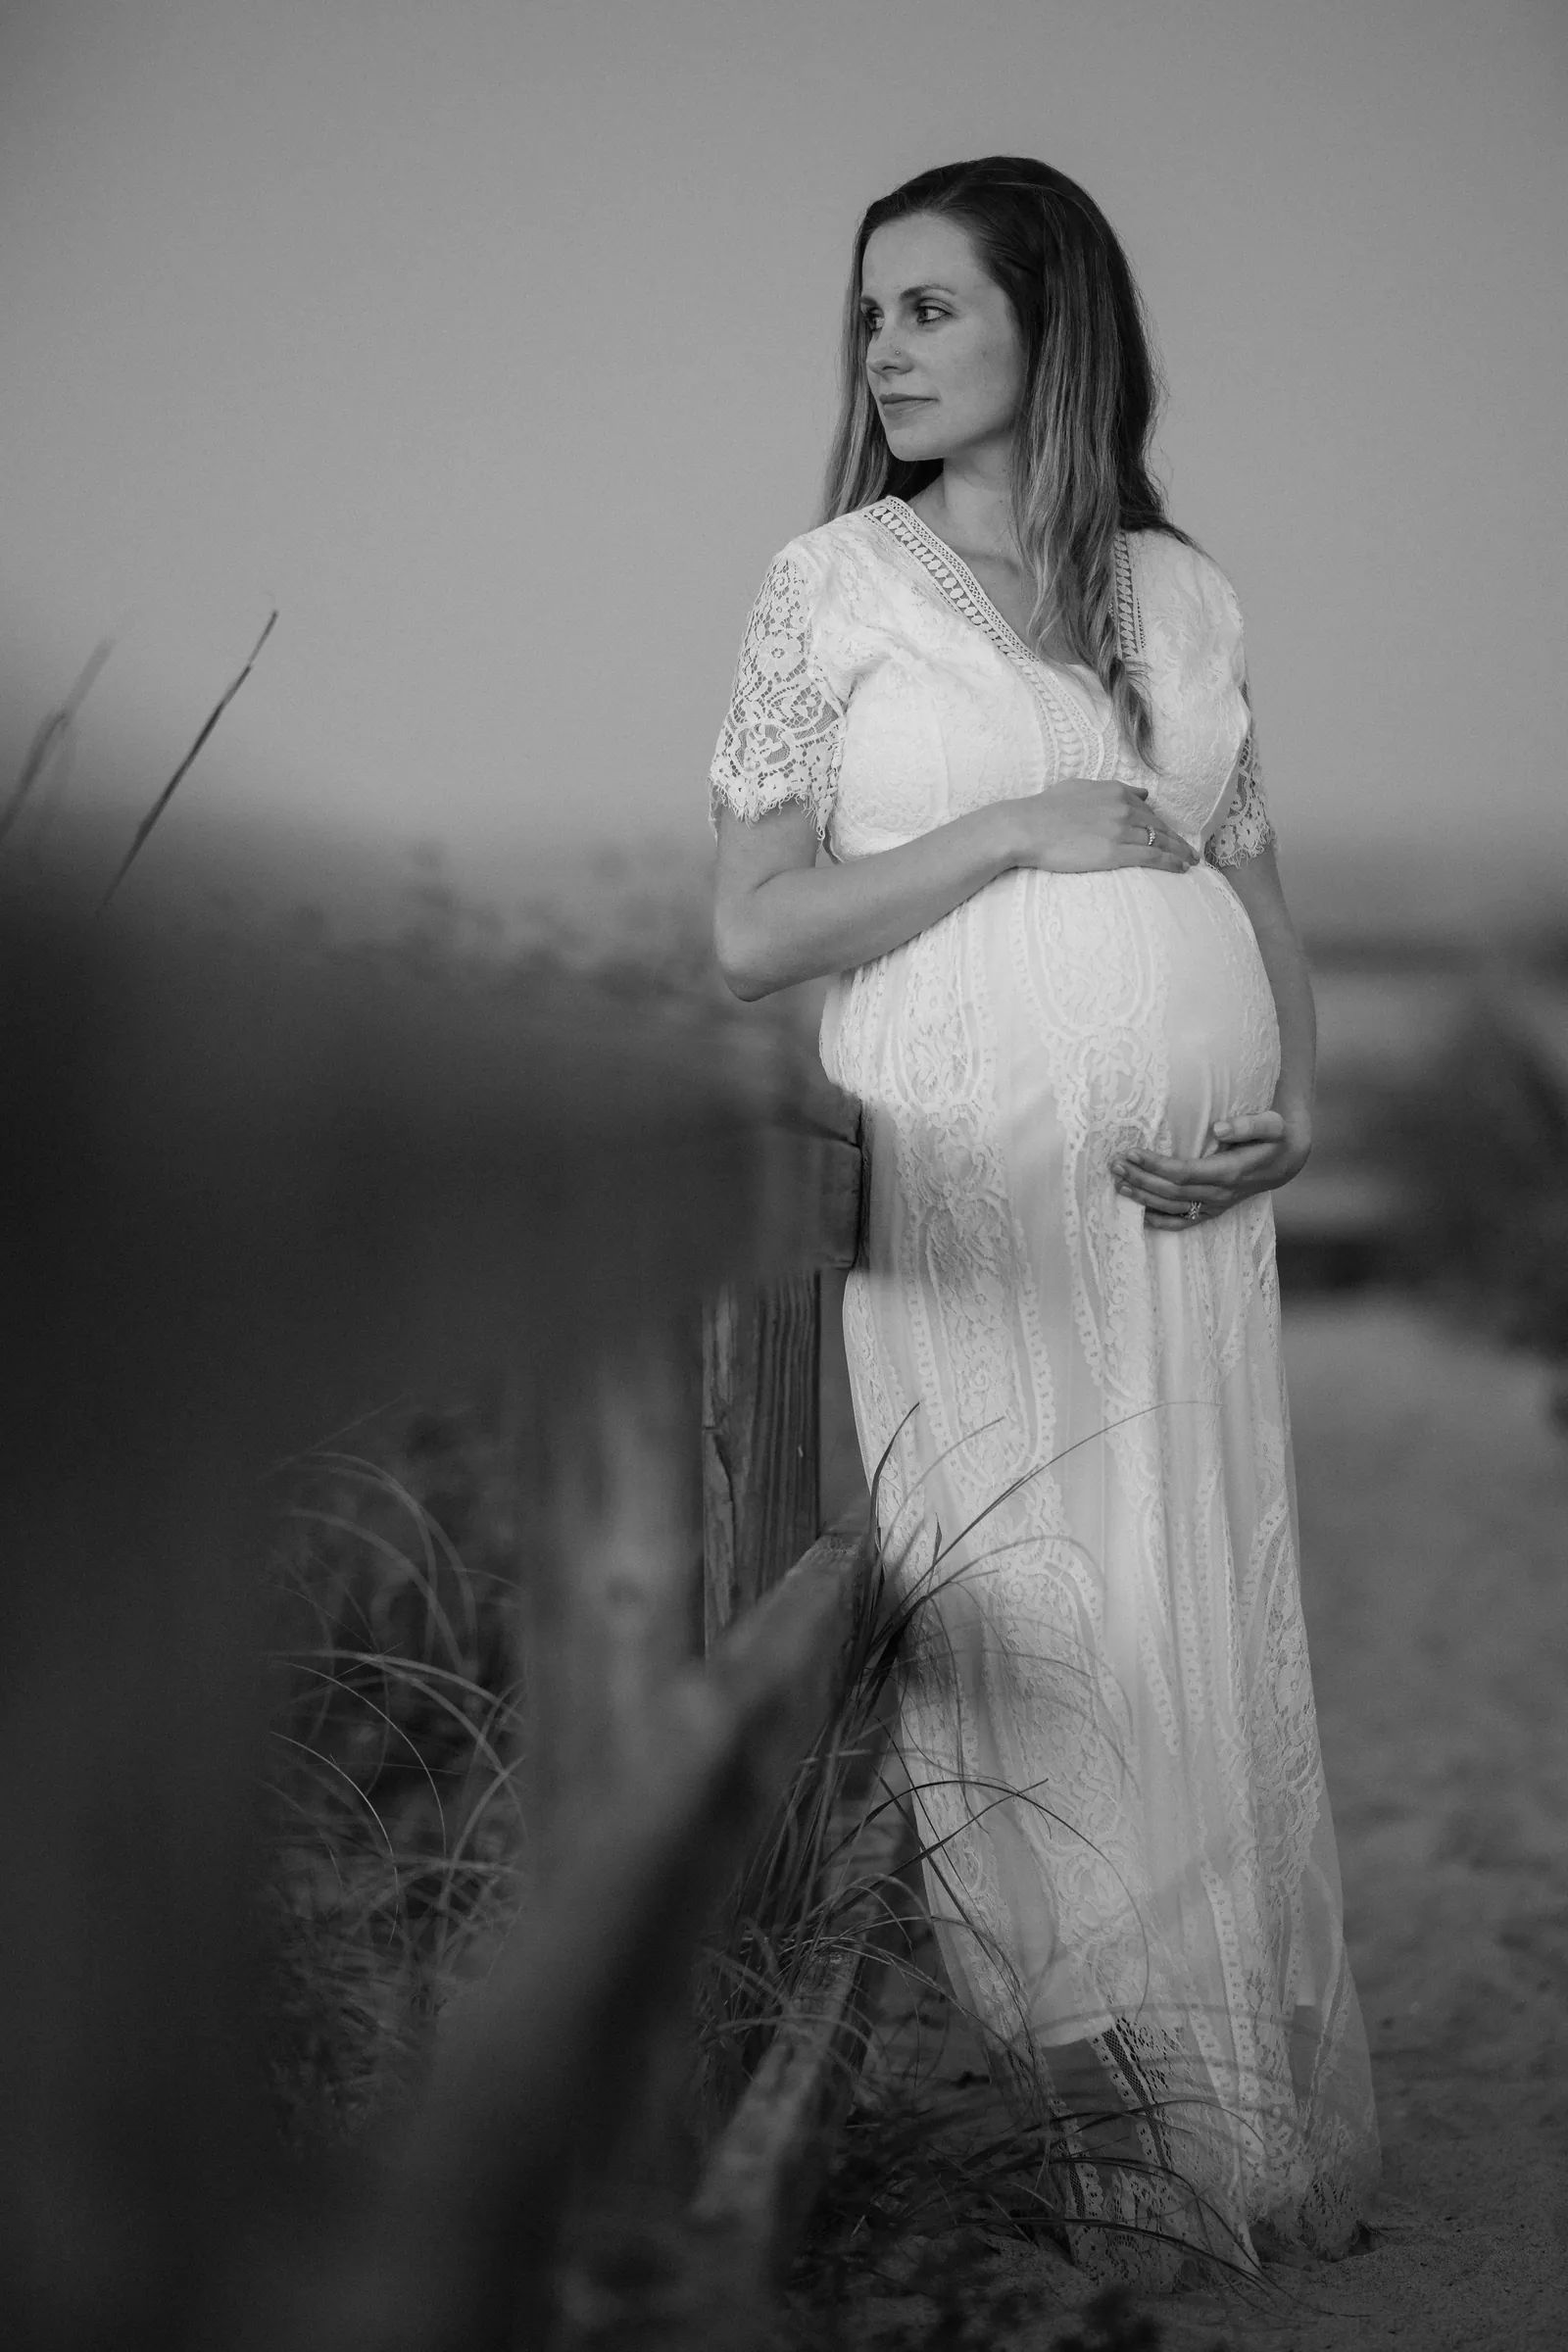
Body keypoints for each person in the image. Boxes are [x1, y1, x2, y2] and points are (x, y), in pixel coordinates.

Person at [707, 156, 1379, 2284]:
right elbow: (748, 930)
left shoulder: (1184, 598)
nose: (882, 350)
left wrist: (1286, 1110)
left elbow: (1250, 897)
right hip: (971, 1202)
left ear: (1046, 322)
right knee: (1020, 1622)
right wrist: (1004, 829)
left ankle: (1208, 2132)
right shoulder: (834, 584)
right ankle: (1073, 2119)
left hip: (1183, 1225)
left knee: (1185, 1608)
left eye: (925, 309)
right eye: (870, 316)